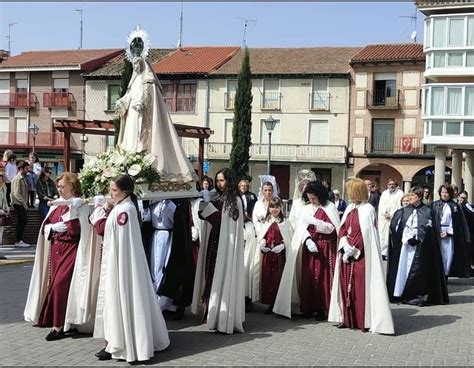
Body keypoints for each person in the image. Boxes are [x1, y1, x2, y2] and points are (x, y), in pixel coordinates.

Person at [92, 175, 170, 362]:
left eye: (113, 190)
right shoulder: (121, 207)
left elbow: (116, 236)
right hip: (115, 261)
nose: (110, 193)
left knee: (122, 299)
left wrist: (99, 215)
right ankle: (113, 341)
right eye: (110, 189)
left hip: (122, 265)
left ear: (125, 192)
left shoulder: (125, 210)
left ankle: (128, 344)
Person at [24, 172, 100, 341]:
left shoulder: (80, 204)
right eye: (58, 186)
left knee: (60, 285)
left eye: (62, 186)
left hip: (71, 249)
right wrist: (51, 228)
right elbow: (46, 225)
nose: (59, 189)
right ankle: (57, 320)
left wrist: (72, 212)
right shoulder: (57, 204)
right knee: (53, 285)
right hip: (55, 248)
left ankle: (58, 326)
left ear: (72, 186)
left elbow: (76, 230)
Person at [115, 27, 196, 184]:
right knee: (131, 142)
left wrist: (143, 103)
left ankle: (145, 169)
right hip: (132, 117)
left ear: (143, 63)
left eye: (138, 63)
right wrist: (122, 103)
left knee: (141, 142)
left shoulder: (148, 80)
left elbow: (150, 99)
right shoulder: (133, 81)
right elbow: (128, 97)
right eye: (134, 63)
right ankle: (129, 167)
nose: (135, 66)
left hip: (143, 117)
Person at [328, 178, 394, 335]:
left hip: (361, 257)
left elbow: (367, 234)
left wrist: (355, 250)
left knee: (359, 288)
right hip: (346, 256)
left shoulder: (368, 209)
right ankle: (347, 319)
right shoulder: (350, 207)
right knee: (345, 287)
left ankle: (362, 320)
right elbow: (343, 228)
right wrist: (344, 245)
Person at [273, 181, 340, 320]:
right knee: (308, 278)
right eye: (309, 198)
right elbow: (300, 228)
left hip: (325, 247)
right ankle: (308, 307)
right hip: (309, 248)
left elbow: (333, 228)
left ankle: (323, 308)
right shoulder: (306, 208)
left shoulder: (330, 207)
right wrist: (308, 239)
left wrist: (316, 222)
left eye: (314, 198)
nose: (311, 201)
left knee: (324, 278)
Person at [191, 168, 245, 334]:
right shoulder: (220, 197)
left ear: (229, 181)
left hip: (225, 245)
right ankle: (210, 310)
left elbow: (226, 223)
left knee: (221, 275)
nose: (219, 184)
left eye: (222, 180)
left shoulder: (235, 200)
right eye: (218, 180)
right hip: (215, 241)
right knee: (210, 274)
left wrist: (209, 212)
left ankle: (222, 314)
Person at [386, 187, 449, 307]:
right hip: (404, 247)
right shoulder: (403, 211)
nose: (409, 198)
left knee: (417, 271)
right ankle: (399, 293)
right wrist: (406, 238)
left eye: (412, 196)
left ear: (419, 197)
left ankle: (415, 294)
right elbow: (396, 229)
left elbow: (430, 230)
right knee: (402, 269)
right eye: (409, 195)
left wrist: (419, 238)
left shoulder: (428, 211)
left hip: (420, 248)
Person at [155, 198, 195, 320]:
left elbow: (180, 220)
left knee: (168, 267)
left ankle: (171, 305)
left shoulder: (179, 203)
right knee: (156, 268)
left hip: (170, 237)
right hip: (156, 237)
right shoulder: (156, 202)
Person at [258, 197, 293, 314]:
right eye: (272, 207)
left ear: (280, 208)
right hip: (268, 255)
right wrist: (262, 242)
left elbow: (289, 238)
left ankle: (278, 304)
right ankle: (270, 303)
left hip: (279, 256)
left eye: (277, 207)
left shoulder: (285, 222)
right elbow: (262, 235)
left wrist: (283, 245)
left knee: (277, 279)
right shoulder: (266, 221)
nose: (274, 209)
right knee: (268, 279)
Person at [142, 199, 177, 306]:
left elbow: (175, 219)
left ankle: (162, 300)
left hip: (167, 235)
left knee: (163, 265)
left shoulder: (172, 204)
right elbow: (146, 219)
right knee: (154, 264)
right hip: (156, 235)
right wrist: (145, 208)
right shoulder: (154, 205)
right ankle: (154, 295)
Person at [432, 184, 471, 279]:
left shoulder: (454, 206)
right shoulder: (435, 205)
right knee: (437, 254)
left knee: (447, 256)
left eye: (446, 192)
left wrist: (448, 233)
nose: (444, 194)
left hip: (449, 234)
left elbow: (457, 222)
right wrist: (437, 231)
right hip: (437, 232)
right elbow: (432, 220)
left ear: (450, 194)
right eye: (443, 192)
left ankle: (445, 275)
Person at [378, 179, 404, 261]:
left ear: (396, 185)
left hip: (394, 218)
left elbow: (399, 206)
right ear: (387, 185)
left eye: (393, 184)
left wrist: (393, 215)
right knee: (383, 235)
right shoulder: (384, 193)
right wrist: (385, 212)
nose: (391, 186)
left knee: (394, 235)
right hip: (385, 218)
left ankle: (394, 252)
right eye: (390, 184)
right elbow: (381, 205)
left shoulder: (400, 193)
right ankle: (384, 253)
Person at [10, 161, 30, 248]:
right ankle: (18, 240)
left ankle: (19, 240)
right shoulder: (18, 179)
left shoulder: (22, 178)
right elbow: (16, 193)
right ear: (21, 169)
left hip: (20, 203)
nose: (28, 170)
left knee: (23, 221)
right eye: (26, 168)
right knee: (23, 221)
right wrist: (24, 204)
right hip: (18, 203)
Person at [243, 214, 260, 312]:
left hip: (249, 254)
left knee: (247, 277)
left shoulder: (249, 225)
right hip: (239, 253)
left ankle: (247, 300)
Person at [458, 191, 474, 273]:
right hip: (460, 232)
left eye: (464, 198)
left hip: (469, 231)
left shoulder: (468, 207)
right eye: (461, 197)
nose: (462, 199)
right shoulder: (457, 207)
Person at [0, 174, 10, 246]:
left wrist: (7, 208)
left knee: (1, 231)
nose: (0, 181)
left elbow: (5, 199)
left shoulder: (3, 188)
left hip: (2, 211)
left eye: (1, 179)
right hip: (1, 211)